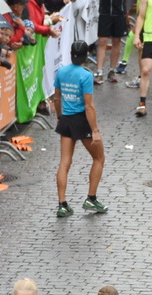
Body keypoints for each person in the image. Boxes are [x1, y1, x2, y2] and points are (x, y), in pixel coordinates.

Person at [52, 43, 107, 217]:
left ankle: (62, 204)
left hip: (66, 120)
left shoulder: (61, 72)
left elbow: (56, 98)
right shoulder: (86, 75)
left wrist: (60, 117)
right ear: (86, 55)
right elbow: (89, 106)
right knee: (99, 158)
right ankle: (91, 198)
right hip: (81, 120)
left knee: (64, 163)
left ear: (71, 54)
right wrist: (95, 130)